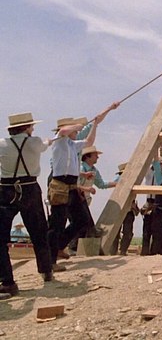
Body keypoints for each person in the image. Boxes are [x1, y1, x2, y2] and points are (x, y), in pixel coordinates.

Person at [1, 112, 59, 298]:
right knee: (39, 232)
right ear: (26, 128)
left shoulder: (1, 144)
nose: (33, 129)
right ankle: (46, 270)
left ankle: (7, 282)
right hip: (30, 188)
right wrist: (54, 138)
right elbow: (46, 144)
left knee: (0, 238)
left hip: (6, 190)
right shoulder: (35, 142)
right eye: (32, 126)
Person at [47, 116, 99, 270]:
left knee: (82, 219)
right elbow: (63, 131)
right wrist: (78, 125)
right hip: (60, 184)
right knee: (57, 222)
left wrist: (95, 125)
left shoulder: (72, 145)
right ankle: (50, 261)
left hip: (71, 186)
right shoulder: (59, 140)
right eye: (75, 131)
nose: (77, 132)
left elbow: (89, 142)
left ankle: (59, 246)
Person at [112, 162, 140, 256]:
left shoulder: (132, 181)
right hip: (119, 208)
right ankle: (115, 251)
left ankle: (122, 251)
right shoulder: (118, 180)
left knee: (127, 232)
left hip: (129, 209)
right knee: (116, 232)